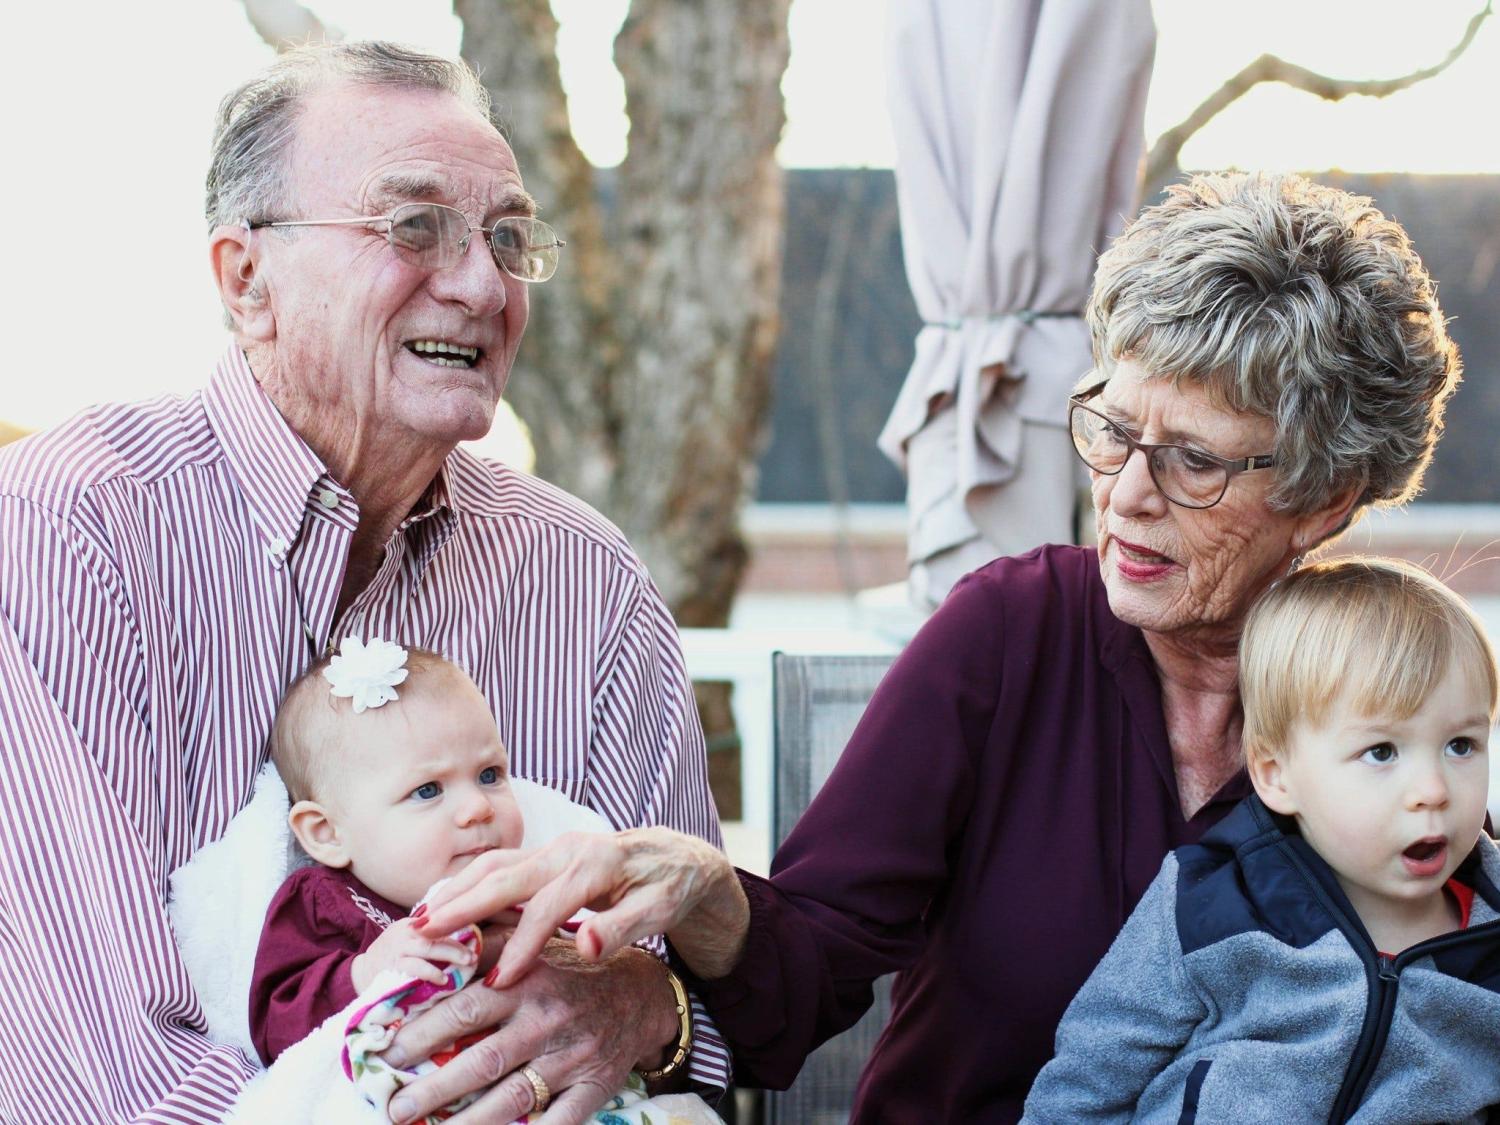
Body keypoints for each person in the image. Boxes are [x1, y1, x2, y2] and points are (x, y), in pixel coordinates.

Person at [409, 172, 1465, 1122]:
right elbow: (803, 981)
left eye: (1194, 461)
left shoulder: (1401, 701)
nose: (1127, 497)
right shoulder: (1011, 636)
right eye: (1111, 428)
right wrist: (709, 887)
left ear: (1323, 501)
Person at [0, 42, 727, 1124]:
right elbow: (96, 1071)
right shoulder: (71, 527)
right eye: (414, 226)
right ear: (249, 282)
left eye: (510, 239)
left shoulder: (586, 578)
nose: (483, 284)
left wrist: (647, 1004)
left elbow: (705, 1009)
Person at [1023, 558, 1500, 1121]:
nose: (1432, 789)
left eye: (1461, 745)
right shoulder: (1212, 904)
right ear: (1276, 775)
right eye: (1382, 752)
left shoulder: (1489, 939)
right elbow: (1090, 1077)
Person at [250, 640, 526, 1065]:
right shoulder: (327, 902)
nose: (479, 807)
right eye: (428, 790)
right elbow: (275, 1026)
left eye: (490, 774)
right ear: (327, 833)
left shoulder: (523, 888)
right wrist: (364, 973)